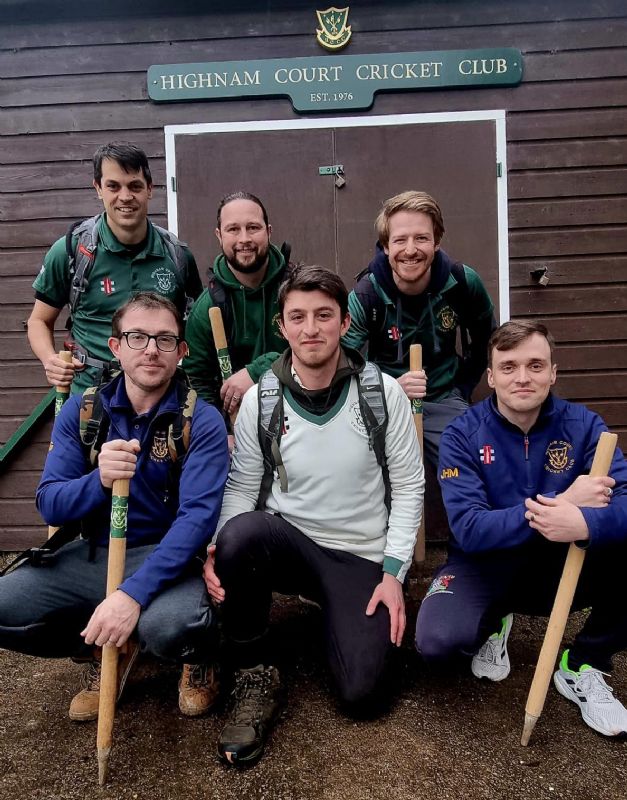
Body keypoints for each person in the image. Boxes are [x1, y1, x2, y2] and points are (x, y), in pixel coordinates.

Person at [203, 264, 424, 767]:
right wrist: (217, 548)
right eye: (297, 317)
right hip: (290, 544)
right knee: (240, 537)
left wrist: (394, 573)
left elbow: (411, 486)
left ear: (345, 323)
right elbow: (241, 485)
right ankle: (255, 668)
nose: (311, 329)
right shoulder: (264, 397)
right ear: (281, 327)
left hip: (358, 555)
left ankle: (336, 619)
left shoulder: (380, 391)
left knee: (363, 697)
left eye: (324, 315)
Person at [0, 293, 229, 720]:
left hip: (167, 561)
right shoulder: (84, 410)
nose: (150, 350)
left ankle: (195, 660)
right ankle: (102, 647)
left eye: (164, 340)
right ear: (115, 346)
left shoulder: (201, 420)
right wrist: (98, 481)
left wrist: (131, 595)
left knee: (173, 628)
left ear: (182, 351)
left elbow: (196, 521)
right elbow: (50, 504)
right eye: (137, 337)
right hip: (94, 554)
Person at [415, 320, 627, 737]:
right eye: (509, 367)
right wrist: (561, 506)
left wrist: (583, 522)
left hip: (561, 565)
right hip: (486, 566)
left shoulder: (584, 428)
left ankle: (583, 662)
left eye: (535, 365)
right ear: (491, 377)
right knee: (436, 642)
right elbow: (470, 528)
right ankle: (495, 621)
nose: (523, 377)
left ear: (553, 372)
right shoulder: (462, 434)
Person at [27, 142, 202, 394]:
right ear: (98, 188)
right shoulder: (73, 251)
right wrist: (49, 359)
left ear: (150, 189)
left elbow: (195, 328)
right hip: (90, 397)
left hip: (159, 399)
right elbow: (39, 320)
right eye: (113, 186)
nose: (125, 196)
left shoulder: (177, 256)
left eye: (135, 186)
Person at [343, 190, 495, 467]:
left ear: (436, 241)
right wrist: (387, 388)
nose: (410, 250)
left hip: (443, 399)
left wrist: (461, 387)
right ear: (386, 245)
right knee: (356, 469)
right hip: (383, 402)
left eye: (421, 238)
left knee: (477, 462)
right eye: (400, 240)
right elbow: (343, 362)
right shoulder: (366, 295)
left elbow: (489, 339)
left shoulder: (462, 282)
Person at [183, 191, 288, 418]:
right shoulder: (208, 308)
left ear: (268, 232)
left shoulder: (297, 289)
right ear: (219, 236)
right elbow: (197, 380)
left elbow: (319, 351)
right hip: (234, 424)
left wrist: (256, 371)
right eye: (233, 229)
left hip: (297, 414)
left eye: (253, 227)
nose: (244, 239)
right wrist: (218, 430)